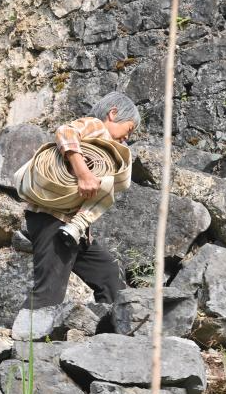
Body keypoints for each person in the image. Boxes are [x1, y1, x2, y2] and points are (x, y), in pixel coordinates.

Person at [16, 91, 140, 309]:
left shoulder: (103, 148)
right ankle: (26, 341)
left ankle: (110, 335)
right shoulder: (96, 126)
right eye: (129, 128)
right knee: (49, 292)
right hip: (52, 221)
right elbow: (65, 131)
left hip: (74, 229)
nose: (127, 137)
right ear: (113, 114)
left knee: (109, 274)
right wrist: (83, 173)